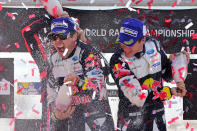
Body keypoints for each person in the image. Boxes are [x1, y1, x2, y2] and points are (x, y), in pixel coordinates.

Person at [22, 14, 114, 131]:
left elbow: (99, 92)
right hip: (69, 122)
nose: (58, 42)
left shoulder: (89, 54)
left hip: (96, 121)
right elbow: (51, 94)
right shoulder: (52, 59)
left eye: (62, 36)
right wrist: (56, 112)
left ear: (74, 36)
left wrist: (79, 82)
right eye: (54, 38)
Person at [109, 18, 190, 131]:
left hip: (157, 115)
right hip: (131, 118)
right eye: (122, 41)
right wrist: (167, 92)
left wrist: (177, 64)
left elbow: (166, 75)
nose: (124, 47)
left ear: (142, 40)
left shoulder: (154, 45)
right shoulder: (117, 60)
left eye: (129, 43)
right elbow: (137, 97)